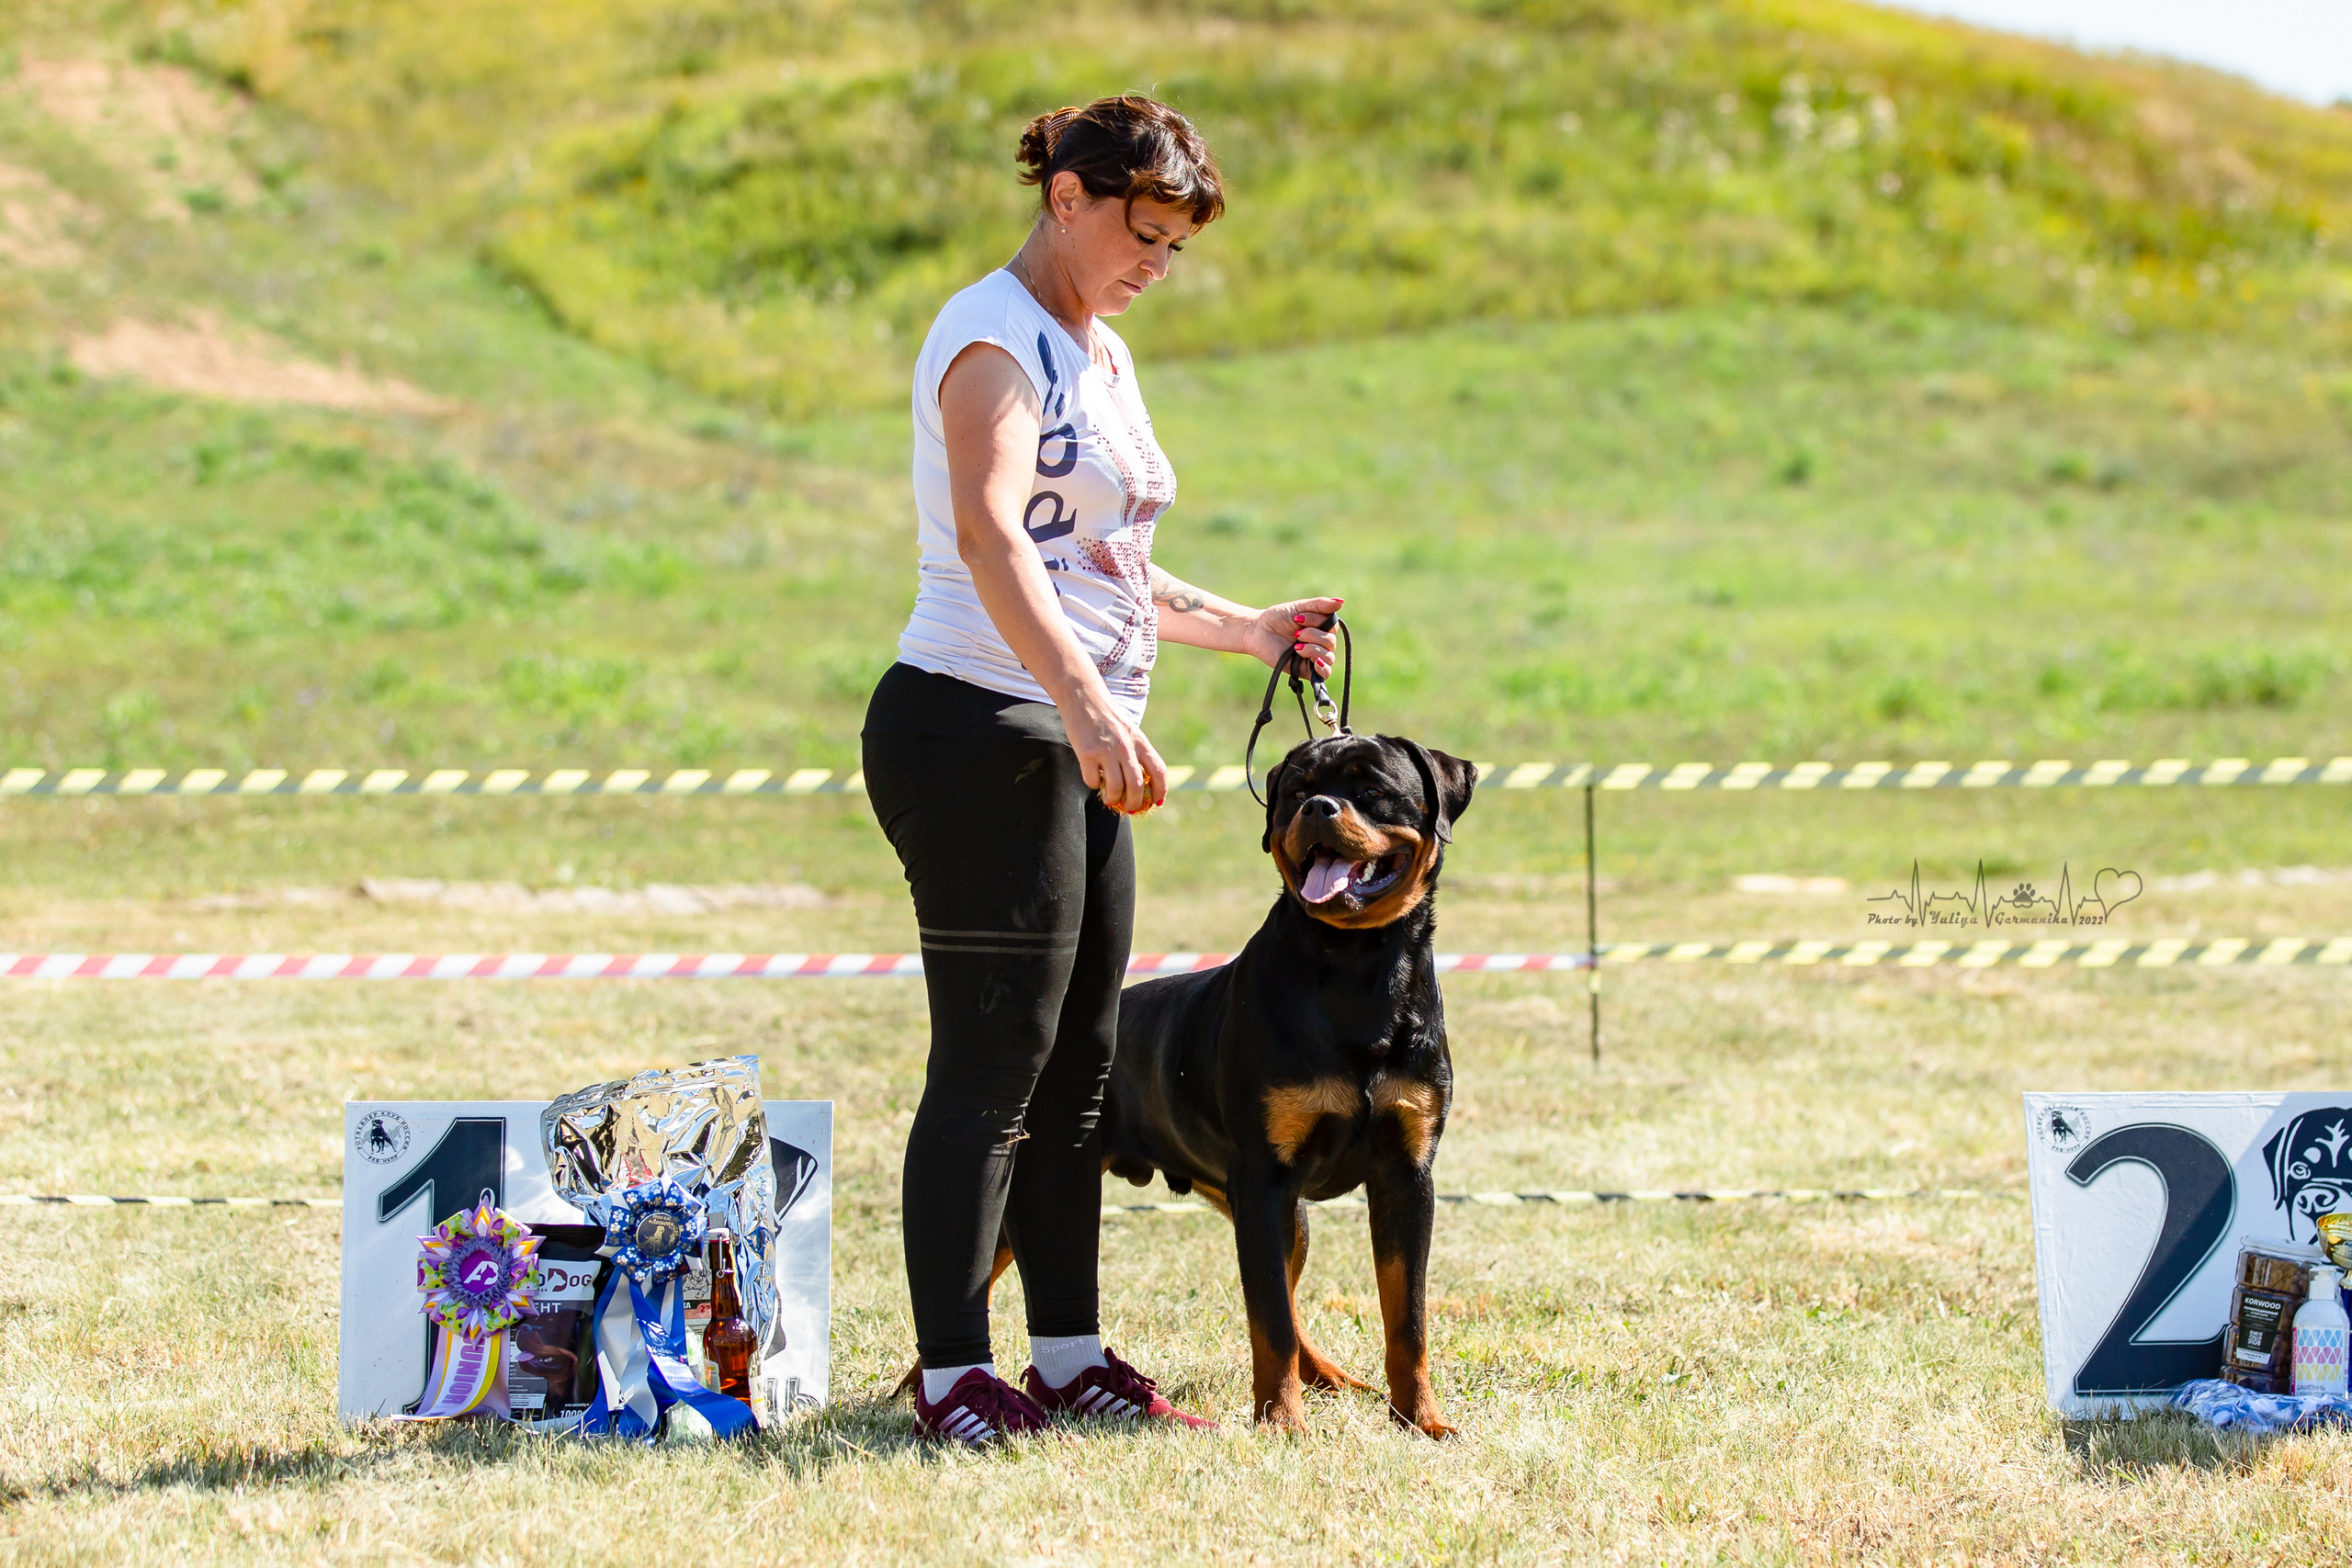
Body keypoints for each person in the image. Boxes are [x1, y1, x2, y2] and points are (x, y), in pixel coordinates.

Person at [862, 95, 1341, 1446]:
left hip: (1074, 735)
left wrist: (1246, 628)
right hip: (976, 725)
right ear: (1065, 194)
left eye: (1175, 246)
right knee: (992, 1062)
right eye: (1142, 232)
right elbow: (995, 538)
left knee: (1083, 1066)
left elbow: (1109, 561)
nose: (1155, 264)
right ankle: (957, 1377)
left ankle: (1066, 1358)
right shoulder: (990, 339)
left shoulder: (1104, 353)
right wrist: (1083, 704)